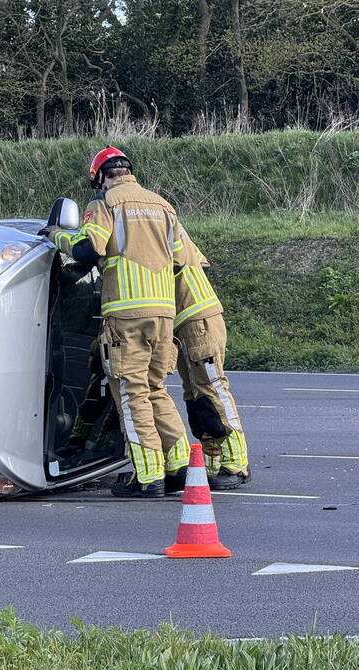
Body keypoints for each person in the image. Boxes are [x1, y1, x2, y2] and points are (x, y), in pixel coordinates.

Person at [48, 146, 189, 498]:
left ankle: (149, 476)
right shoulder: (163, 205)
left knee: (131, 393)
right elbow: (181, 260)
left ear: (99, 176)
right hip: (164, 314)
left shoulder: (106, 203)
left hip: (126, 315)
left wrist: (55, 235)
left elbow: (86, 249)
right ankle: (180, 467)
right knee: (156, 389)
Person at [171, 229, 250, 489]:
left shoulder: (149, 228)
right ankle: (213, 461)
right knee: (196, 395)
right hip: (188, 321)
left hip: (198, 320)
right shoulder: (168, 226)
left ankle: (236, 464)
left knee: (212, 389)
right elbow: (200, 265)